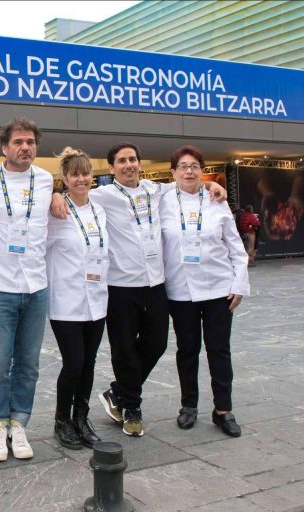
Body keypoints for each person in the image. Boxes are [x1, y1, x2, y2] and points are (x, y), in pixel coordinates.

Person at [50, 142, 226, 437]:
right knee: (124, 350)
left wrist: (211, 186)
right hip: (119, 286)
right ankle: (131, 406)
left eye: (133, 159)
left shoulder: (157, 190)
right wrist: (56, 194)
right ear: (111, 169)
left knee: (157, 343)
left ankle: (118, 392)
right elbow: (71, 190)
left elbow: (188, 181)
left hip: (155, 283)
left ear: (140, 163)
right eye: (122, 161)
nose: (128, 165)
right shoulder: (100, 195)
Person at [0, 117, 54, 461]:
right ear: (5, 147)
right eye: (18, 142)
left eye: (31, 142)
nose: (25, 147)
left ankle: (19, 424)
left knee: (29, 363)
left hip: (36, 287)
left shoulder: (46, 180)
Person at [160, 145, 249, 437]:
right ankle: (189, 406)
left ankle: (223, 410)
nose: (189, 171)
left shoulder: (216, 201)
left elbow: (236, 247)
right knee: (187, 350)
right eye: (183, 166)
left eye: (195, 166)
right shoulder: (161, 199)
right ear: (172, 172)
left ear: (202, 170)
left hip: (218, 288)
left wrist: (239, 284)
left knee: (219, 350)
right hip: (180, 289)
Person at [45, 147, 109, 450]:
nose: (81, 179)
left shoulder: (99, 209)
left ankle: (81, 418)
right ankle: (62, 421)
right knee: (74, 362)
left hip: (97, 300)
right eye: (75, 175)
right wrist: (52, 196)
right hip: (66, 301)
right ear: (65, 179)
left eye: (85, 174)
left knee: (90, 363)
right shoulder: (55, 212)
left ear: (92, 177)